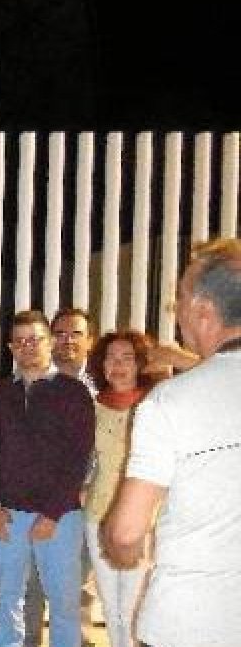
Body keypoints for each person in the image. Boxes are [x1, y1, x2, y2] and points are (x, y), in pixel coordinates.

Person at [106, 237, 241, 646]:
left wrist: (122, 551)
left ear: (204, 312)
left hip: (187, 622)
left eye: (180, 299)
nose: (175, 311)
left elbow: (127, 532)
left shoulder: (170, 402)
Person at [0, 310, 94, 647]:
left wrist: (52, 514)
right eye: (20, 341)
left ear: (50, 342)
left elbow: (78, 458)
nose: (28, 347)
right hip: (8, 515)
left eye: (35, 339)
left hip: (60, 517)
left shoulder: (74, 393)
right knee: (6, 601)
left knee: (64, 605)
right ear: (11, 348)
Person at [21, 307, 98, 647]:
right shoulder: (33, 384)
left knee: (75, 583)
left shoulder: (103, 385)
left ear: (89, 340)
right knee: (32, 581)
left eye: (76, 334)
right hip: (44, 499)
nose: (68, 341)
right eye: (61, 333)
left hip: (92, 499)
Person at [83, 330, 157, 647]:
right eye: (111, 358)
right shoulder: (92, 408)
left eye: (127, 357)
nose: (119, 365)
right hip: (97, 513)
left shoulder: (156, 403)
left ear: (140, 363)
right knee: (110, 602)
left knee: (134, 603)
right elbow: (82, 458)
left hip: (142, 515)